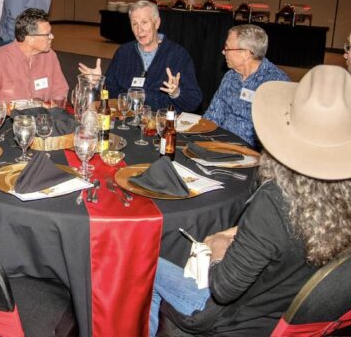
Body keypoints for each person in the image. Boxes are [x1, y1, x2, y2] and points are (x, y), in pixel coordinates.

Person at [149, 65, 351, 336]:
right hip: (287, 310)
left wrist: (218, 246)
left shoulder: (275, 201)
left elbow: (223, 288)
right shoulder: (336, 198)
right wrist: (239, 234)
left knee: (140, 264)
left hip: (235, 318)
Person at [79, 0, 202, 112]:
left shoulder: (178, 55)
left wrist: (176, 93)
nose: (139, 30)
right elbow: (110, 95)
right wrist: (98, 82)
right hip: (126, 123)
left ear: (157, 23)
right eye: (134, 24)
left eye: (144, 22)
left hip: (161, 126)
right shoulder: (123, 53)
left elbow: (193, 102)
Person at [0, 8, 68, 112]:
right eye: (47, 34)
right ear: (30, 39)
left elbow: (60, 89)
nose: (52, 37)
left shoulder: (49, 56)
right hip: (7, 124)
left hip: (42, 121)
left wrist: (56, 112)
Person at [203, 24, 289, 147]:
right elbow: (212, 117)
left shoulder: (276, 84)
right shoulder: (230, 77)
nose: (223, 52)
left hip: (254, 155)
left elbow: (277, 137)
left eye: (227, 48)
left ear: (245, 53)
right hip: (220, 146)